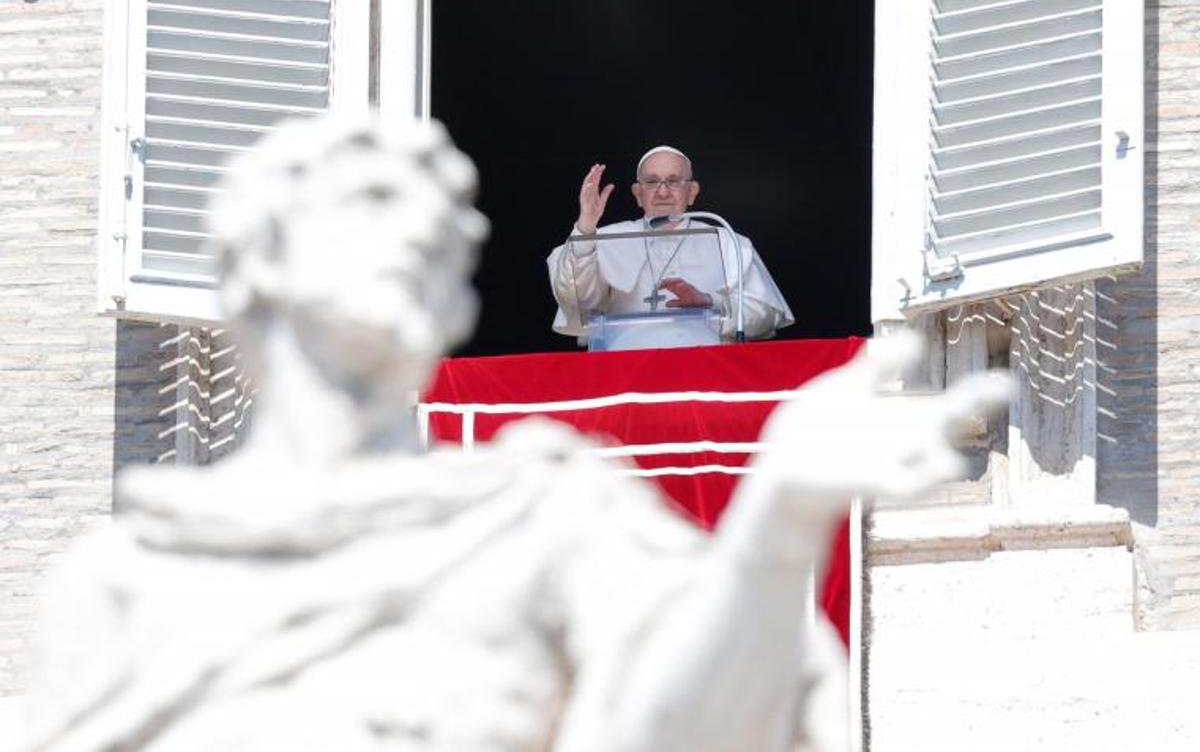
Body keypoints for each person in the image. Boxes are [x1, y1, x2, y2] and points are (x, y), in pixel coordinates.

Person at [18, 115, 1007, 752]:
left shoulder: (548, 509)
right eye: (647, 183)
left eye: (434, 256)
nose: (661, 195)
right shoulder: (125, 573)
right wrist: (585, 230)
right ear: (256, 275)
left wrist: (778, 525)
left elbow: (692, 720)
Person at [548, 146, 794, 342]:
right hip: (625, 369)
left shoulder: (727, 240)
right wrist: (586, 227)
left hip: (708, 367)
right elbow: (578, 304)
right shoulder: (602, 239)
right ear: (637, 193)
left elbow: (765, 315)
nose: (663, 192)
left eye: (674, 181)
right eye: (652, 182)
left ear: (692, 191)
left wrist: (710, 304)